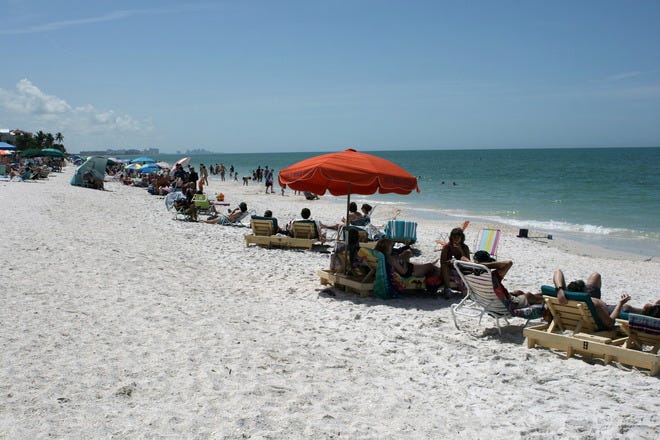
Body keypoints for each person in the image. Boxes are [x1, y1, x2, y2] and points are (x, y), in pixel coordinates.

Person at [553, 269, 631, 329]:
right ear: (583, 291)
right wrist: (620, 304)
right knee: (627, 308)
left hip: (583, 304)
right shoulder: (594, 304)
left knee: (596, 276)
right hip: (598, 310)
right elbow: (609, 324)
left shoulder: (564, 295)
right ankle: (642, 311)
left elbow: (557, 271)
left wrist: (560, 289)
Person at [473, 251, 544, 308]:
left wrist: (477, 266)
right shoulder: (492, 277)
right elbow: (509, 263)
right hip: (505, 304)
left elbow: (463, 258)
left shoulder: (470, 275)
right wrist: (485, 265)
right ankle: (548, 300)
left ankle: (543, 294)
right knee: (529, 295)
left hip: (487, 302)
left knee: (518, 292)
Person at [375, 238, 442, 279]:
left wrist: (400, 258)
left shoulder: (383, 256)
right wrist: (403, 262)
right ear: (387, 248)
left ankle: (431, 265)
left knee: (408, 255)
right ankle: (446, 275)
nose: (392, 248)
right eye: (391, 246)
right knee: (430, 266)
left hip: (406, 267)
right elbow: (404, 272)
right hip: (409, 272)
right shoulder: (391, 259)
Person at [439, 227, 471, 297]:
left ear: (461, 238)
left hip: (461, 269)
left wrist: (460, 250)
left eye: (458, 237)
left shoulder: (465, 247)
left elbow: (468, 261)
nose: (456, 239)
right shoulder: (447, 247)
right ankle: (447, 288)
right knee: (444, 266)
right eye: (454, 237)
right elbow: (442, 262)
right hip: (449, 269)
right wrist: (450, 262)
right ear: (451, 237)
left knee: (463, 259)